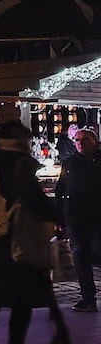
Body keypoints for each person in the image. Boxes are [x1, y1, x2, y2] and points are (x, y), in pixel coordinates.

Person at [0, 120, 57, 344]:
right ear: (19, 140)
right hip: (15, 240)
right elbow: (34, 199)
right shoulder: (17, 162)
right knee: (21, 301)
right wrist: (58, 214)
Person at [56, 126, 101, 312]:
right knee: (80, 257)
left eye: (85, 140)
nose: (80, 143)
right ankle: (88, 297)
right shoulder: (69, 163)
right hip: (76, 217)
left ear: (95, 142)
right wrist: (59, 216)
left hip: (98, 216)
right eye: (77, 140)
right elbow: (61, 189)